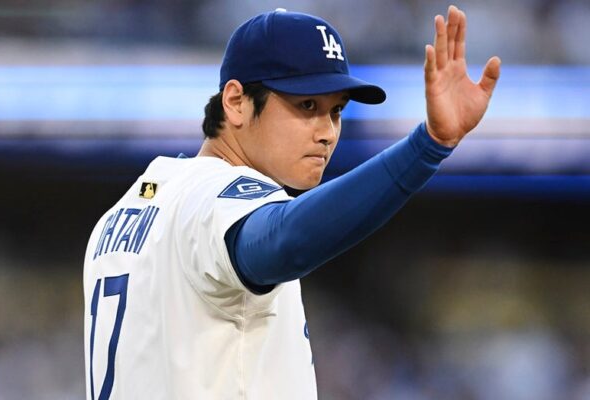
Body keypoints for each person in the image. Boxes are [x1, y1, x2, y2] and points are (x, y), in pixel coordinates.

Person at [83, 5, 500, 399]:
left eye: (336, 111)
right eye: (306, 105)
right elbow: (282, 239)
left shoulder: (124, 212)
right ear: (236, 102)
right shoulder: (212, 195)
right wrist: (427, 146)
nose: (327, 132)